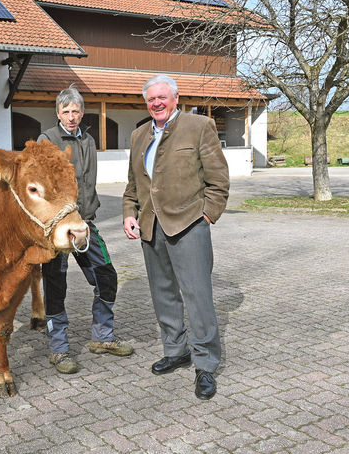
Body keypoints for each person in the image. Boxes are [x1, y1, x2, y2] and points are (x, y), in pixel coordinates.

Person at [122, 75, 229, 400]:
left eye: (161, 97)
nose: (156, 103)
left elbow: (218, 180)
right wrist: (129, 213)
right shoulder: (139, 135)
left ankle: (205, 364)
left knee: (197, 297)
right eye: (151, 99)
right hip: (151, 228)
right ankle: (176, 350)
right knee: (163, 295)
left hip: (189, 226)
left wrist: (206, 215)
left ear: (175, 98)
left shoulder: (199, 126)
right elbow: (132, 185)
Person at [38, 86, 133, 374]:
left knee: (107, 276)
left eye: (76, 111)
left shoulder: (89, 140)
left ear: (82, 112)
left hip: (86, 223)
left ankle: (102, 338)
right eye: (66, 111)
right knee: (56, 286)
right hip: (57, 228)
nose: (71, 116)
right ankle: (59, 350)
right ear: (58, 113)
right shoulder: (47, 140)